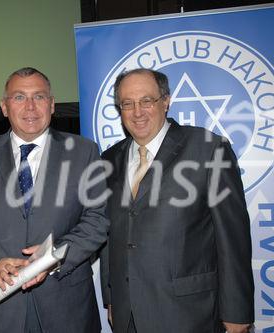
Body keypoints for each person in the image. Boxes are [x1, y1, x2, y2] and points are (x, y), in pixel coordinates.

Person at [0, 67, 109, 332]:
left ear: (52, 104)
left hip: (66, 305)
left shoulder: (84, 152)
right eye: (19, 97)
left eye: (39, 97)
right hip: (2, 309)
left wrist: (54, 257)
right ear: (4, 107)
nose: (30, 107)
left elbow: (97, 219)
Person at [99, 68, 254, 333]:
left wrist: (238, 312)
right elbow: (109, 237)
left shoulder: (208, 148)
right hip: (129, 314)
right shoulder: (109, 159)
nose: (137, 112)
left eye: (146, 101)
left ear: (166, 101)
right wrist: (112, 297)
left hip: (190, 313)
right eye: (127, 103)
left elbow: (233, 237)